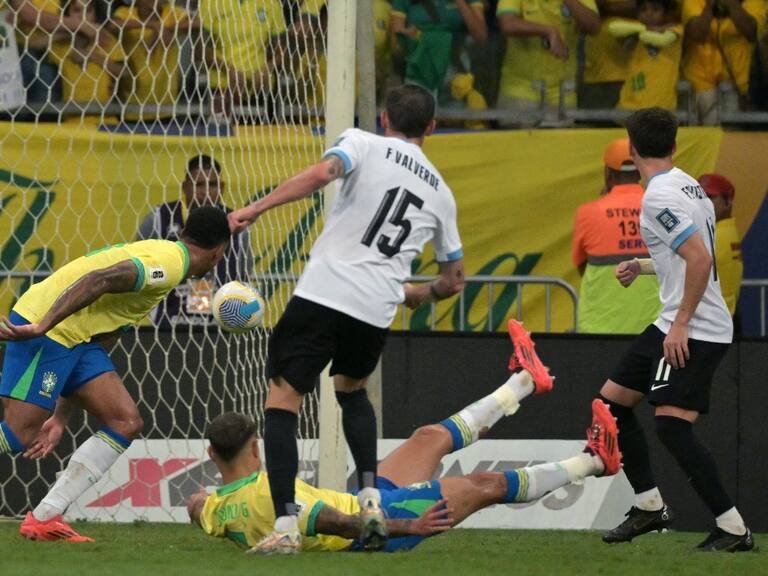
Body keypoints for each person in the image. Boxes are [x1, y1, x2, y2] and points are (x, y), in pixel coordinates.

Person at [227, 84, 466, 554]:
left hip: (324, 292)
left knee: (282, 402)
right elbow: (455, 278)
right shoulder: (441, 192)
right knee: (351, 392)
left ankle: (285, 526)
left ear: (384, 118)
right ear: (432, 128)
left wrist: (255, 208)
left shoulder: (362, 142)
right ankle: (372, 501)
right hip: (374, 309)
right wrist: (420, 294)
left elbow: (323, 173)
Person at [187, 322, 621, 553]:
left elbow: (197, 505)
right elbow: (332, 523)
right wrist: (407, 527)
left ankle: (526, 381)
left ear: (211, 453)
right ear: (258, 447)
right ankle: (595, 460)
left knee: (427, 437)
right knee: (482, 486)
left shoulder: (217, 509)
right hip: (380, 530)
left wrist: (206, 498)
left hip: (362, 498)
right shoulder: (264, 492)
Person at [0, 206, 231, 542]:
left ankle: (45, 518)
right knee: (18, 435)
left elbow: (104, 333)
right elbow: (100, 280)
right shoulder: (168, 266)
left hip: (77, 338)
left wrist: (61, 417)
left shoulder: (167, 257)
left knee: (125, 420)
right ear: (218, 252)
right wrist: (44, 324)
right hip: (48, 330)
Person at [601, 107, 754, 551]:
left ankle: (733, 529)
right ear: (673, 144)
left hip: (694, 327)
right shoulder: (691, 185)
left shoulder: (658, 196)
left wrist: (681, 324)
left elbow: (702, 260)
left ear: (632, 149)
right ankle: (649, 506)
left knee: (670, 426)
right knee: (610, 405)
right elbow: (689, 255)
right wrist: (644, 265)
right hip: (675, 319)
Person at [136, 155, 254, 326]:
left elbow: (244, 273)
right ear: (185, 187)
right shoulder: (160, 217)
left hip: (219, 326)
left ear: (222, 187)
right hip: (164, 324)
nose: (205, 191)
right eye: (198, 184)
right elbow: (140, 264)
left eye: (212, 184)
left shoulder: (236, 224)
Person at [572, 138, 660, 334]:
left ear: (607, 173)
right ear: (640, 170)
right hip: (650, 323)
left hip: (598, 325)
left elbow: (581, 265)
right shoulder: (659, 208)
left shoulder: (588, 213)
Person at [496, 0, 601, 127]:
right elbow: (507, 24)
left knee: (560, 146)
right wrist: (548, 31)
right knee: (517, 145)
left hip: (562, 94)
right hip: (520, 91)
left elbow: (594, 25)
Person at [681, 0, 766, 125]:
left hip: (736, 86)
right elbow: (697, 34)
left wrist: (731, 3)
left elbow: (751, 31)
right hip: (700, 84)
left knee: (734, 137)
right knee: (706, 137)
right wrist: (709, 6)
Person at [112, 0, 198, 122]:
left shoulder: (172, 13)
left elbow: (198, 24)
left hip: (166, 109)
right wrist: (151, 25)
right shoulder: (125, 13)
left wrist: (167, 29)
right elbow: (112, 25)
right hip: (133, 108)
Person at [389, 0, 487, 105]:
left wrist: (460, 3)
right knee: (421, 117)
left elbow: (481, 35)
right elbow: (396, 45)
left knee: (455, 118)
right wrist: (413, 38)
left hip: (457, 75)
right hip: (420, 71)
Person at [49, 0, 125, 125]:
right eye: (76, 10)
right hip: (71, 122)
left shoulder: (106, 40)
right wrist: (64, 32)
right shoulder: (60, 45)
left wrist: (92, 56)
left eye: (88, 11)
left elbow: (125, 73)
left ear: (96, 15)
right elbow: (31, 45)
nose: (82, 16)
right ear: (66, 14)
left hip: (106, 121)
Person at [610, 0, 683, 111]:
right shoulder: (635, 33)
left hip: (662, 104)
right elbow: (613, 28)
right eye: (643, 10)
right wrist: (643, 29)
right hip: (630, 103)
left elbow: (661, 40)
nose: (649, 14)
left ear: (666, 13)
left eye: (656, 9)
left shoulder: (676, 30)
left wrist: (645, 32)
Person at [698, 173, 742, 317]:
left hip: (712, 322)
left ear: (728, 202)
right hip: (724, 316)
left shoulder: (715, 236)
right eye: (698, 197)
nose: (702, 203)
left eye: (710, 197)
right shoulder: (727, 231)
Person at [580, 0, 635, 111]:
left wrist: (606, 8)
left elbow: (657, 8)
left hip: (643, 77)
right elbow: (588, 13)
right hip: (598, 77)